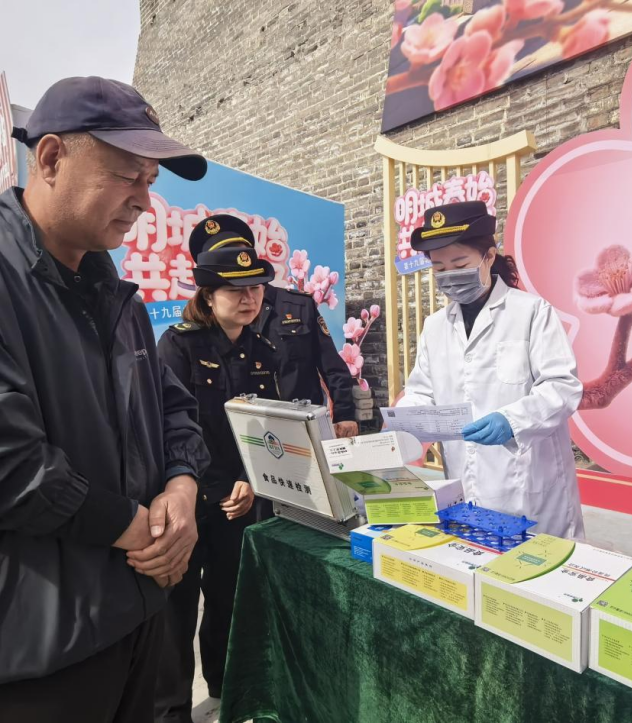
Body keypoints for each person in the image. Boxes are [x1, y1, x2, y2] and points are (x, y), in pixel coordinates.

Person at [0, 77, 210, 722]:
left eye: (151, 180)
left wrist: (182, 489)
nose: (145, 200)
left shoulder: (114, 294)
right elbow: (12, 465)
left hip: (136, 614)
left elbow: (173, 409)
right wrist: (147, 531)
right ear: (51, 158)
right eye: (127, 176)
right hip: (40, 646)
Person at [153, 214, 280, 722]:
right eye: (236, 290)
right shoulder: (178, 345)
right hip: (188, 500)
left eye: (256, 288)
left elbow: (268, 428)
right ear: (208, 296)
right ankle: (171, 711)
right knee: (176, 611)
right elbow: (169, 429)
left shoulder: (263, 350)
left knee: (229, 603)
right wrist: (199, 490)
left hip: (239, 502)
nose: (249, 299)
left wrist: (251, 480)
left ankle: (229, 696)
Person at [397, 201, 584, 538]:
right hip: (465, 483)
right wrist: (404, 420)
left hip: (527, 487)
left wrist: (512, 421)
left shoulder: (531, 312)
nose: (449, 275)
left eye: (459, 264)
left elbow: (561, 387)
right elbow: (421, 391)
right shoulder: (436, 326)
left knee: (531, 563)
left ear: (489, 256)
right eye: (439, 268)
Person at [251, 268, 357, 439]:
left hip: (305, 420)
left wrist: (344, 414)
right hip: (254, 424)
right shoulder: (230, 311)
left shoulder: (299, 304)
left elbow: (331, 365)